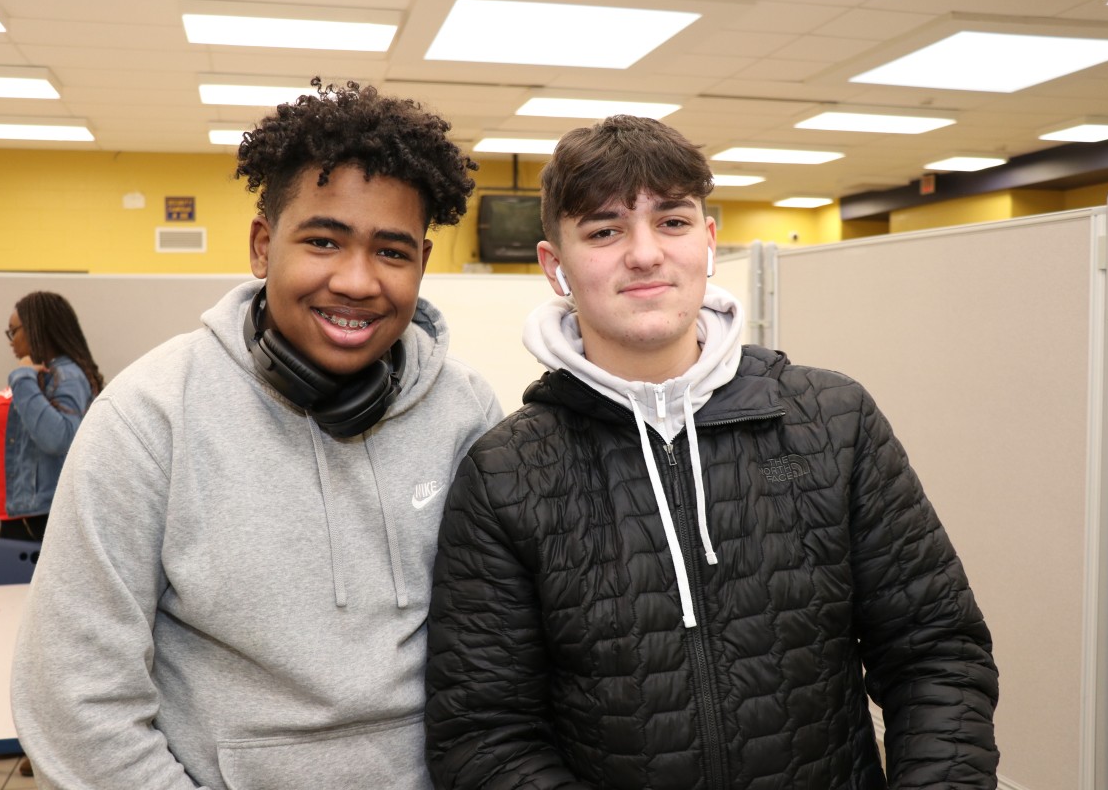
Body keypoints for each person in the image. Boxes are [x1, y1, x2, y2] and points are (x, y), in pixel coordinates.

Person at [425, 115, 999, 789]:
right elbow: (484, 736)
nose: (644, 254)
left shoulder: (833, 421)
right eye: (605, 230)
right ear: (556, 266)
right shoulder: (507, 473)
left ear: (708, 240)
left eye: (671, 222)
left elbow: (937, 654)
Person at [11, 79, 502, 790]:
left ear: (422, 265)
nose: (357, 280)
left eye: (392, 252)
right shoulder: (149, 417)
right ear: (262, 245)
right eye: (324, 240)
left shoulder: (467, 413)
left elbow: (502, 666)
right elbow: (74, 700)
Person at [0, 291, 102, 542]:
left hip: (43, 520)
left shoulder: (65, 376)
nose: (11, 341)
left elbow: (59, 438)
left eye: (13, 331)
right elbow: (24, 438)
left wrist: (22, 378)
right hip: (21, 513)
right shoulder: (36, 372)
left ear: (35, 329)